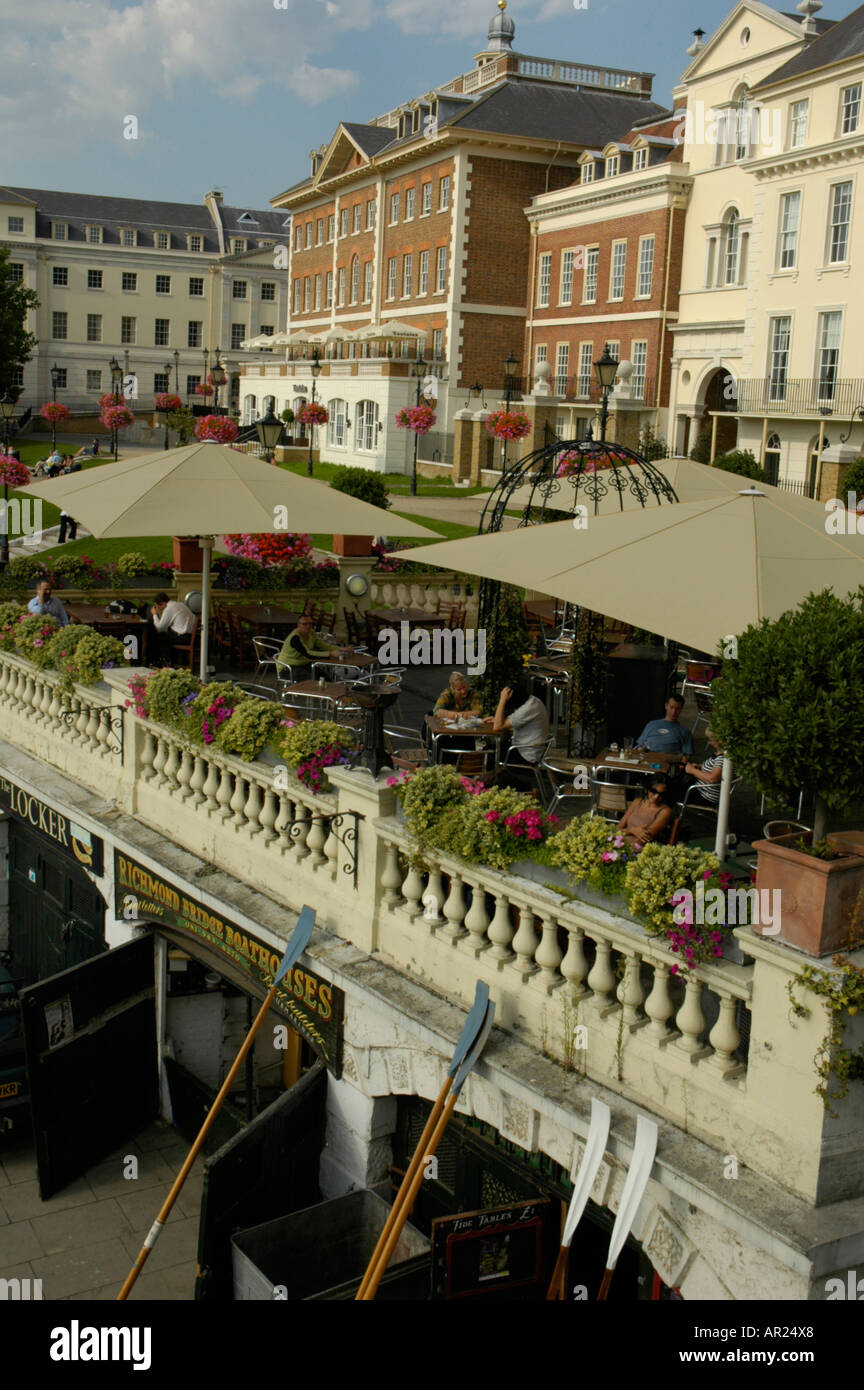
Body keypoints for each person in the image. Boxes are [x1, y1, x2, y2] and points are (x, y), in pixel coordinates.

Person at [489, 674, 550, 777]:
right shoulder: (532, 701)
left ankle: (489, 786)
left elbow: (497, 727)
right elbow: (505, 723)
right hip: (526, 750)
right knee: (492, 748)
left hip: (526, 756)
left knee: (490, 753)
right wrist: (497, 720)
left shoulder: (527, 709)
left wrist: (502, 700)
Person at [277, 613, 338, 680]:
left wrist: (341, 649)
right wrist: (330, 654)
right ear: (298, 625)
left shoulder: (311, 632)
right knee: (313, 680)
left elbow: (322, 645)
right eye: (305, 624)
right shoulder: (295, 637)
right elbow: (308, 654)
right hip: (287, 668)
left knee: (325, 678)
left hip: (303, 664)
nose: (308, 626)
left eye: (310, 624)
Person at [617, 779, 674, 849]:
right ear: (647, 789)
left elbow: (643, 839)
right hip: (619, 843)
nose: (656, 797)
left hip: (639, 850)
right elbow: (617, 829)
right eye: (654, 792)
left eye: (661, 794)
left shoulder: (665, 811)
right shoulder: (637, 802)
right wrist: (632, 830)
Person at [150, 592, 196, 664]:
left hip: (183, 638)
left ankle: (164, 662)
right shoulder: (179, 604)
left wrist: (155, 614)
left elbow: (160, 628)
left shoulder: (169, 608)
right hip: (190, 637)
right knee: (166, 635)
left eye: (158, 607)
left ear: (162, 603)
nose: (160, 609)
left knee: (157, 636)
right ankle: (172, 661)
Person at [684, 729, 725, 805]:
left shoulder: (723, 759)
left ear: (720, 740)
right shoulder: (719, 753)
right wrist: (699, 766)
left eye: (711, 740)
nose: (709, 743)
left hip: (704, 795)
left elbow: (712, 779)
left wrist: (692, 770)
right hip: (699, 789)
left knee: (668, 789)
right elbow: (714, 768)